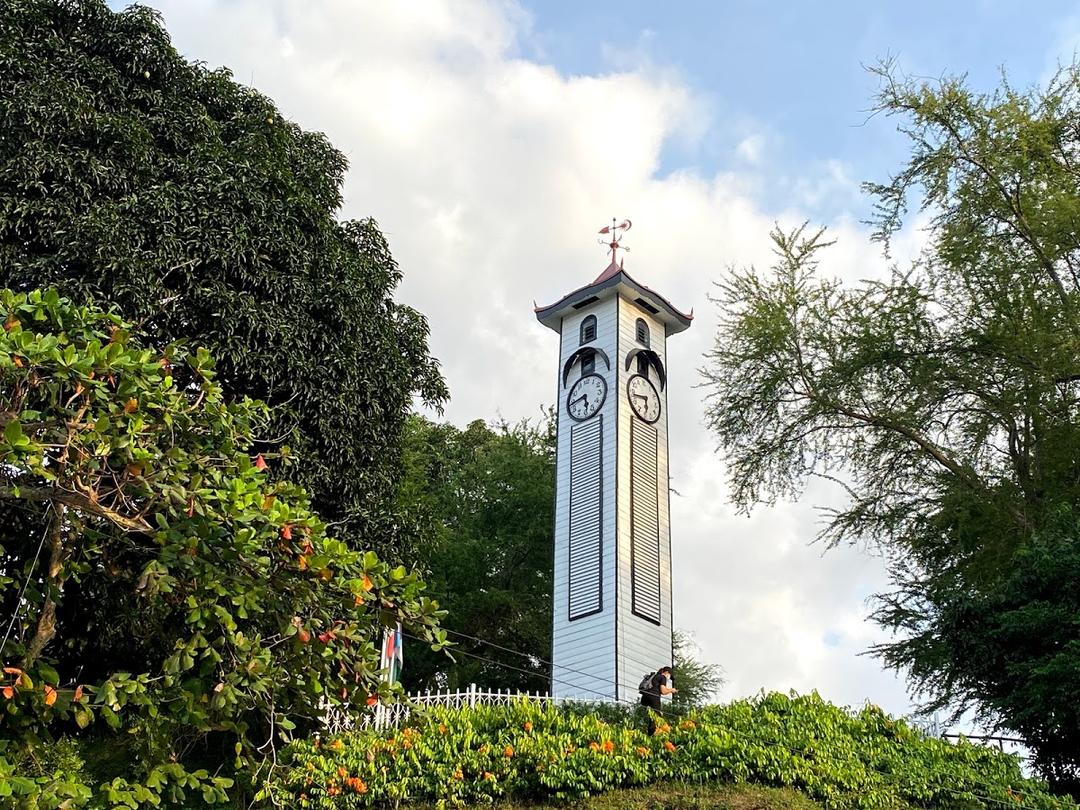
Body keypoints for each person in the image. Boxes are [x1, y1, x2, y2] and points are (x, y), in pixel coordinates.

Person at [640, 665, 676, 734]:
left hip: (644, 698)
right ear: (667, 672)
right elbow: (663, 691)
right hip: (653, 697)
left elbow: (660, 689)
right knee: (655, 716)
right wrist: (671, 690)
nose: (669, 678)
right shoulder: (662, 677)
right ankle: (652, 733)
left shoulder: (654, 676)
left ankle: (646, 729)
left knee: (654, 714)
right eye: (670, 675)